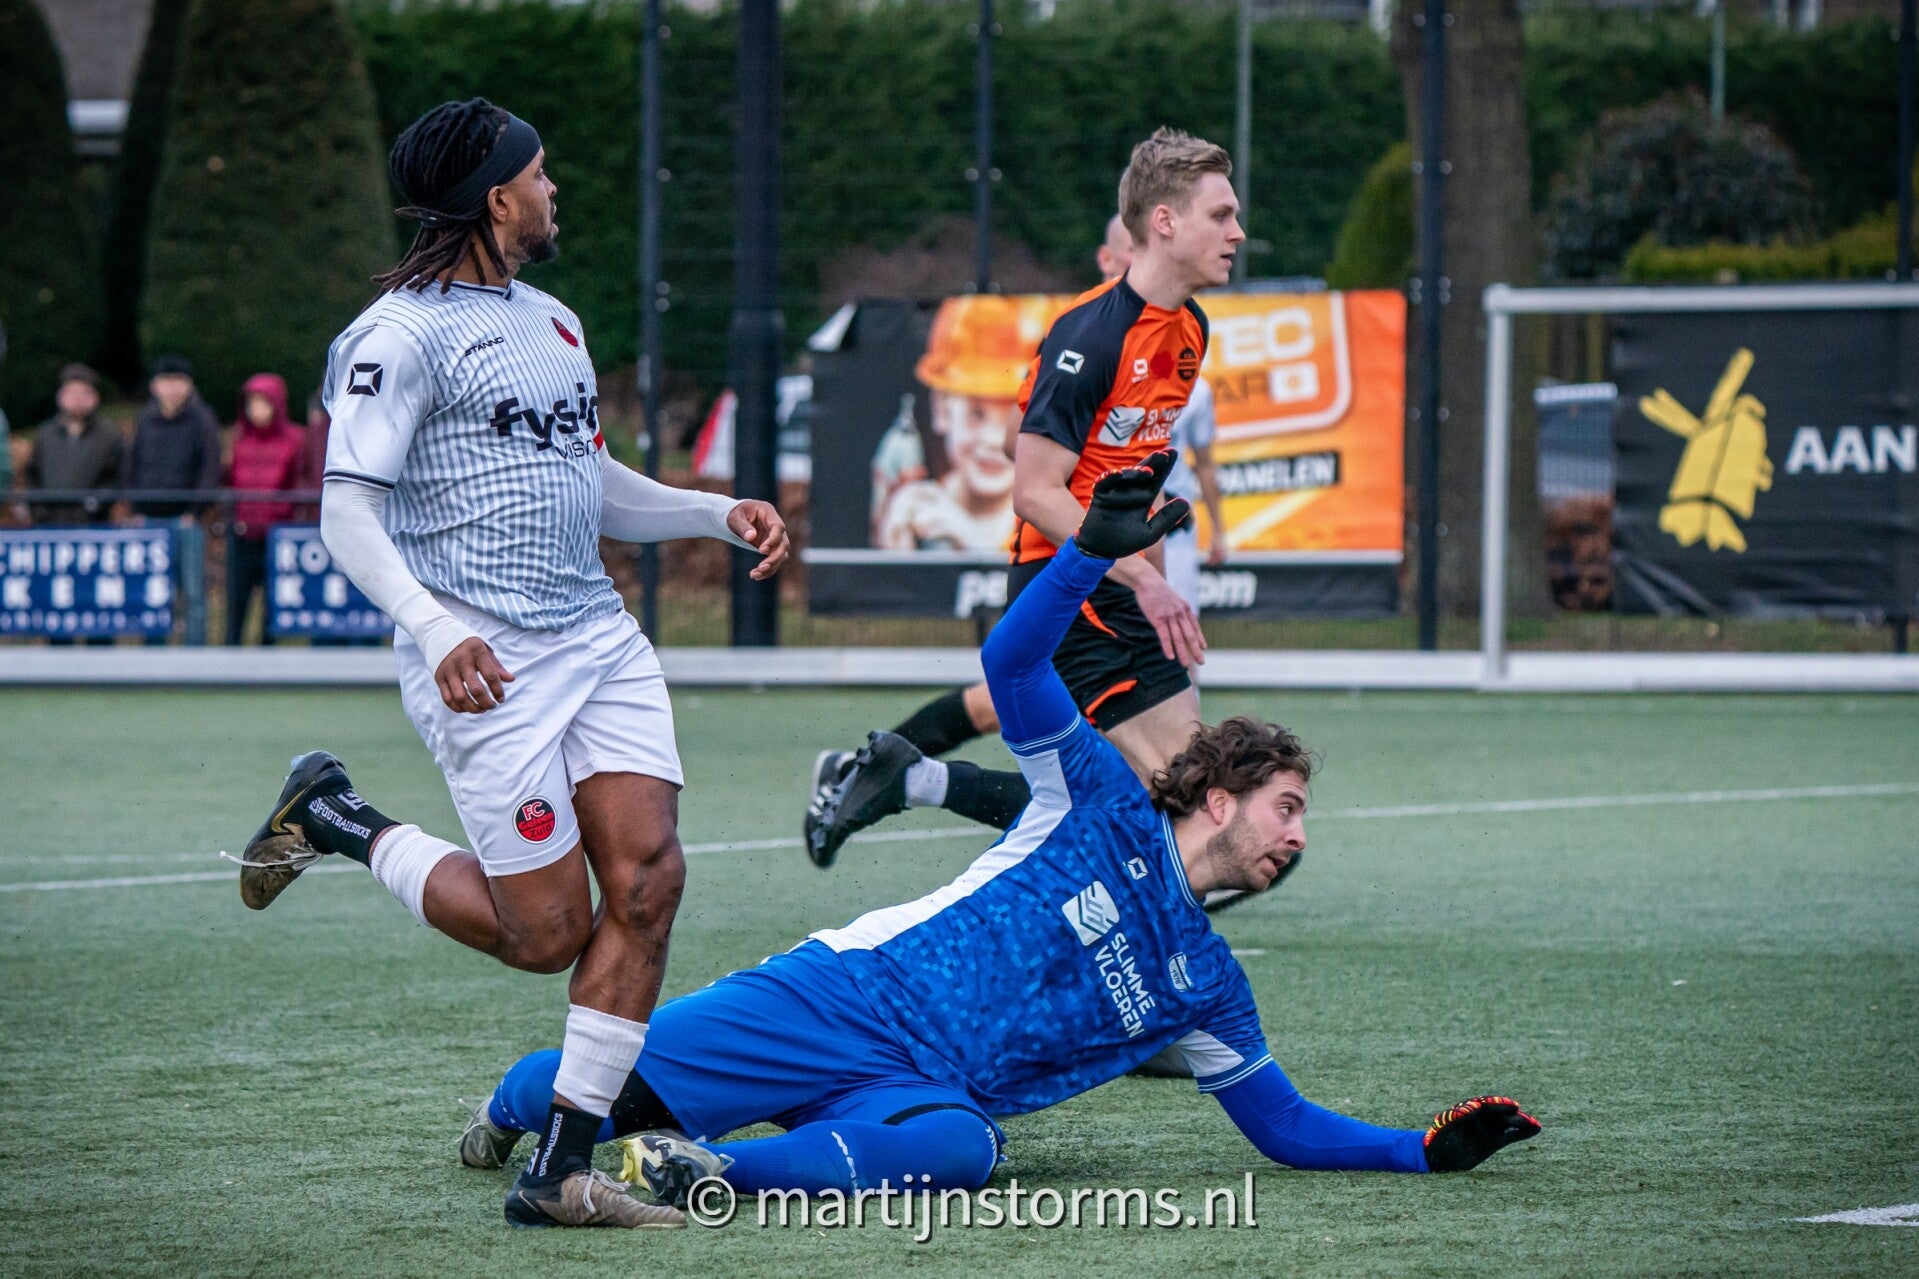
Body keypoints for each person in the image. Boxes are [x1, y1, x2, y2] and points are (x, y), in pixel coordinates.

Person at [461, 454, 1541, 1203]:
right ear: (1222, 795)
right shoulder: (1099, 797)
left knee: (964, 1148)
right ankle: (512, 1108)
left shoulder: (1208, 983)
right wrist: (1086, 555)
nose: (1297, 837)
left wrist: (1421, 1153)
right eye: (1287, 808)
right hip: (841, 997)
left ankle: (702, 1172)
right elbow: (1010, 664)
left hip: (917, 1089)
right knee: (580, 1094)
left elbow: (1287, 1127)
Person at [226, 98, 788, 1230]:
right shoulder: (395, 337)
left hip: (599, 638)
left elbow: (589, 478)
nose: (552, 190)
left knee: (649, 881)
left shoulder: (555, 320)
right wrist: (436, 631)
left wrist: (710, 511)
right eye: (539, 175)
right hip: (487, 663)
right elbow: (345, 512)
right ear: (496, 199)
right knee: (545, 935)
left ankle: (560, 1170)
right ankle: (335, 816)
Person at [808, 135, 1245, 872]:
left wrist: (1157, 587)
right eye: (1221, 215)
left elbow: (1137, 478)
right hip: (1067, 589)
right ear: (1165, 222)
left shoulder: (1190, 331)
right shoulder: (1090, 336)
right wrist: (1144, 582)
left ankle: (909, 778)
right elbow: (1035, 491)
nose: (1237, 232)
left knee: (1139, 810)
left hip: (1122, 589)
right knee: (1179, 812)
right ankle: (931, 818)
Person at [874, 296, 1062, 551]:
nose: (994, 440)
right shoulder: (917, 507)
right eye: (977, 414)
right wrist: (897, 549)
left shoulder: (1051, 518)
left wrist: (970, 540)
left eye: (1017, 416)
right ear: (942, 408)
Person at [123, 355, 223, 645]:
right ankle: (154, 656)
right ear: (154, 386)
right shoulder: (144, 419)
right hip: (148, 519)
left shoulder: (203, 419)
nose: (172, 388)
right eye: (166, 381)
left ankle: (194, 655)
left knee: (193, 592)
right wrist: (134, 507)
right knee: (154, 592)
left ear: (189, 384)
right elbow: (131, 464)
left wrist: (196, 510)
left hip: (186, 519)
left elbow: (210, 467)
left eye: (178, 381)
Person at [223, 373, 306, 645]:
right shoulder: (238, 439)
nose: (256, 410)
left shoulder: (295, 439)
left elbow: (298, 482)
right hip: (242, 533)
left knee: (273, 604)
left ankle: (268, 660)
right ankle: (229, 657)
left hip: (276, 535)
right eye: (251, 403)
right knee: (236, 601)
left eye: (263, 403)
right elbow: (229, 480)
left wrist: (282, 512)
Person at [24, 363, 120, 527]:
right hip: (48, 523)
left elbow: (115, 478)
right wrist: (39, 511)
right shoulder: (45, 434)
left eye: (85, 392)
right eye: (71, 392)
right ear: (60, 396)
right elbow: (32, 476)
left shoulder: (109, 436)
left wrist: (95, 506)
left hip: (93, 524)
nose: (77, 398)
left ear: (95, 397)